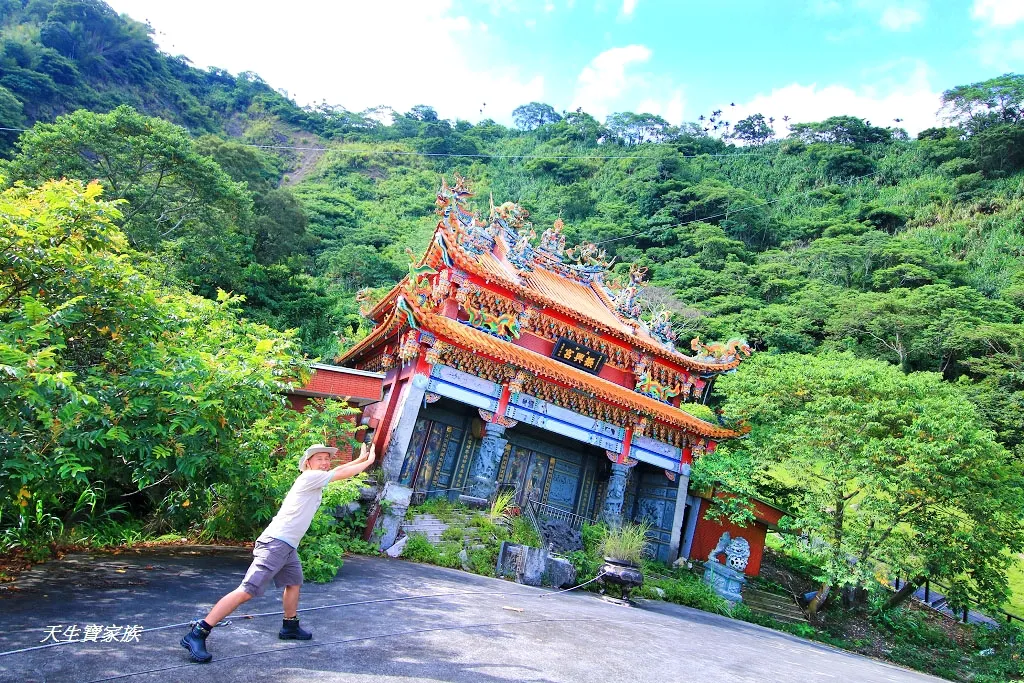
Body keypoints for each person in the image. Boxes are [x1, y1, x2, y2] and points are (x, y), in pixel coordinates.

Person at [181, 441, 376, 663]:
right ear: (308, 463)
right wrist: (368, 462)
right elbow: (341, 474)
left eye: (327, 458)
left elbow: (338, 470)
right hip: (275, 543)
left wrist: (361, 459)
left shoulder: (317, 479)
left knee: (294, 582)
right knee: (247, 590)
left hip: (287, 545)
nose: (325, 462)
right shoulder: (309, 478)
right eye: (319, 458)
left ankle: (290, 626)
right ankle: (198, 632)